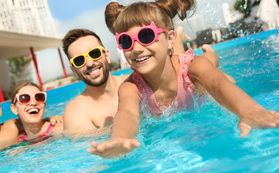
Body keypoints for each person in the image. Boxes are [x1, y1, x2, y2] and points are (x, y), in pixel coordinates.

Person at [87, 0, 279, 158]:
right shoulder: (131, 86)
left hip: (191, 70)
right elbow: (127, 113)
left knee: (212, 68)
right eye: (125, 41)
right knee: (173, 59)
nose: (136, 47)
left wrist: (251, 112)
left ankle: (208, 51)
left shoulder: (193, 68)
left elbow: (219, 86)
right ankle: (179, 38)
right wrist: (119, 138)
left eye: (146, 35)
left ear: (167, 40)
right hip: (168, 58)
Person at [62, 28, 227, 137]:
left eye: (95, 53)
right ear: (74, 69)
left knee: (183, 62)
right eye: (79, 61)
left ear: (107, 55)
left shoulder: (136, 80)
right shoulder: (75, 111)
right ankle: (179, 37)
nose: (89, 63)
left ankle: (190, 43)